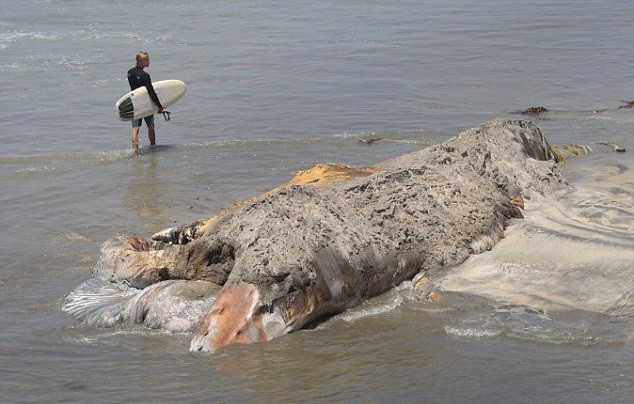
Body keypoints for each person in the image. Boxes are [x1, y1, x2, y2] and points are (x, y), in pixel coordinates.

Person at [127, 51, 164, 154]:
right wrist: (159, 106)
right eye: (147, 60)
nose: (149, 61)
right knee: (150, 126)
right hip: (146, 104)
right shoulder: (145, 75)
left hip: (135, 103)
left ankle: (135, 151)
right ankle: (153, 147)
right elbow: (151, 93)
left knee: (135, 128)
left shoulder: (129, 72)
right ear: (140, 61)